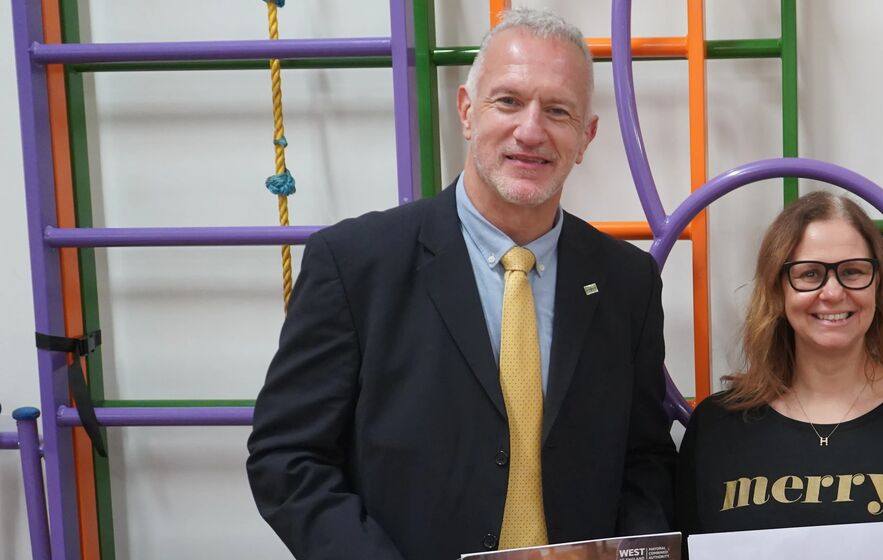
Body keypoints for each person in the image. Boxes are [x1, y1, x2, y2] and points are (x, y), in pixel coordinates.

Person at [246, 8, 674, 559]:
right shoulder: (354, 265)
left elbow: (644, 458)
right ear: (467, 112)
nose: (530, 129)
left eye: (559, 110)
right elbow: (287, 459)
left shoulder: (626, 282)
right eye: (509, 101)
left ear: (585, 135)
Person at [675, 192, 883, 559]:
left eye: (853, 271)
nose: (833, 292)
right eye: (809, 274)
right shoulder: (716, 426)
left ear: (878, 284)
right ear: (778, 290)